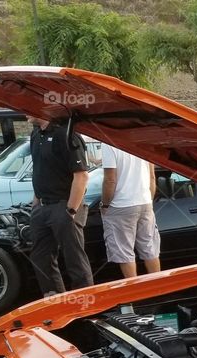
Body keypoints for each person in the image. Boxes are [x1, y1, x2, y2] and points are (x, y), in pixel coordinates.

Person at [27, 116, 94, 296]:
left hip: (65, 205)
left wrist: (71, 210)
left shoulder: (66, 134)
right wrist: (36, 202)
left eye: (25, 108)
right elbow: (40, 170)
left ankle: (86, 306)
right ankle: (55, 303)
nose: (22, 113)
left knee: (75, 260)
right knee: (40, 258)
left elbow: (82, 175)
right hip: (42, 206)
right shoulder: (35, 134)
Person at [100, 144, 160, 278]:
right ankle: (158, 289)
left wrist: (104, 205)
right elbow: (152, 177)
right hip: (145, 202)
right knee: (150, 249)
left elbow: (110, 179)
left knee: (125, 253)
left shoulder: (107, 144)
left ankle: (134, 294)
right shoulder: (142, 140)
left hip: (121, 205)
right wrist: (148, 199)